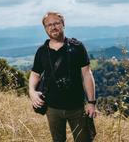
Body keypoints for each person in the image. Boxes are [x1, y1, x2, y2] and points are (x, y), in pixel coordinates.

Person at [29, 11, 97, 142]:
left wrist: (91, 102)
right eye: (49, 25)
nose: (53, 27)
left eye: (56, 23)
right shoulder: (42, 51)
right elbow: (35, 73)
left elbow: (87, 74)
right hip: (52, 108)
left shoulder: (77, 47)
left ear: (63, 25)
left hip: (77, 107)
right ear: (45, 29)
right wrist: (31, 91)